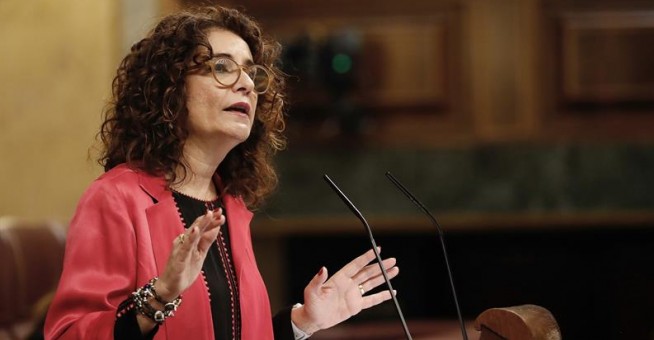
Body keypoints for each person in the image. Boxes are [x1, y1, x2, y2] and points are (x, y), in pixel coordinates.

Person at [44, 5, 399, 340]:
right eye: (223, 67)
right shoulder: (116, 198)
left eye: (249, 71)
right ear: (170, 88)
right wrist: (159, 296)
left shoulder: (230, 204)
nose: (245, 82)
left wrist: (302, 322)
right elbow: (69, 333)